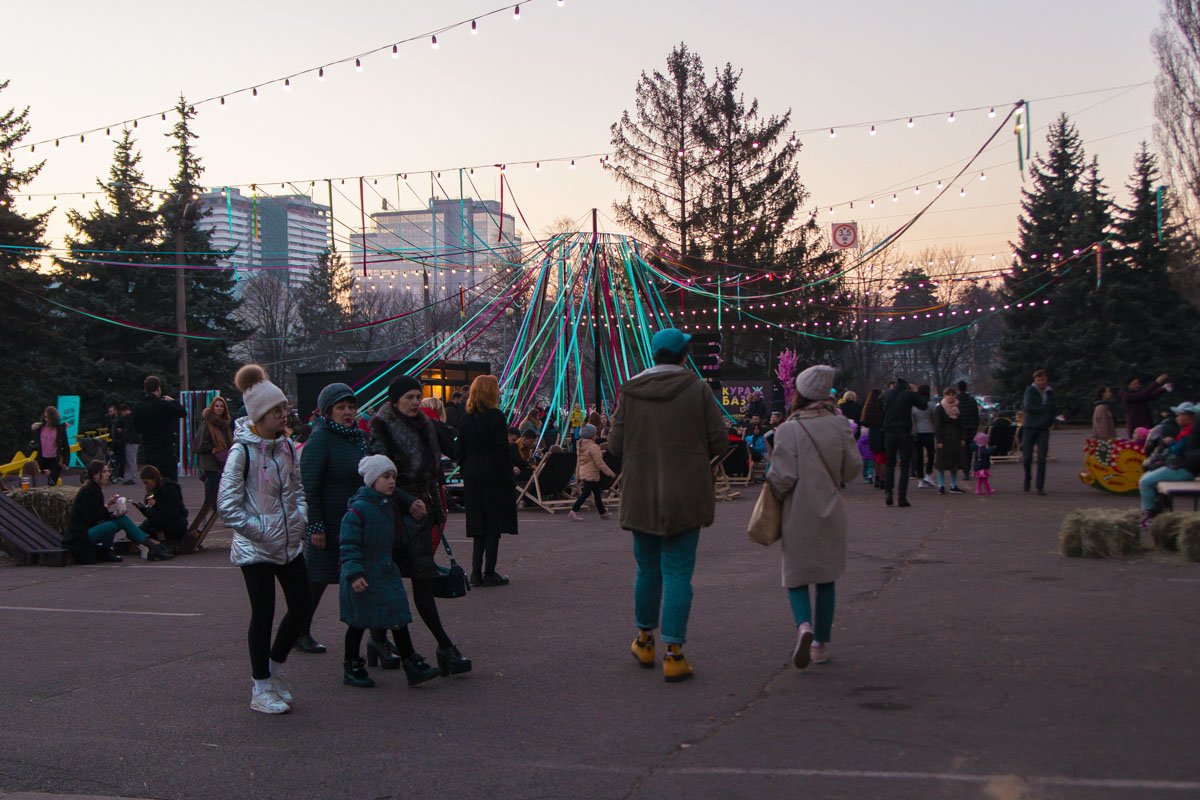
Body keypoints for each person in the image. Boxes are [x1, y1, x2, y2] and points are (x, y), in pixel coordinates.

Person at [608, 328, 727, 683]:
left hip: (641, 493)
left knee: (647, 570)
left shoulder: (630, 390)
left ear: (654, 354)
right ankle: (674, 654)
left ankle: (644, 640)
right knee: (677, 573)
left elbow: (614, 445)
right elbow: (719, 442)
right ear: (683, 355)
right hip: (685, 495)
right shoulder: (698, 389)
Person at [217, 364, 312, 715]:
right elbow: (227, 505)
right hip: (256, 549)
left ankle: (272, 670)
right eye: (276, 411)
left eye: (283, 408)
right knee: (264, 613)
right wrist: (262, 531)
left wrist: (300, 518)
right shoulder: (242, 452)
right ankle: (260, 686)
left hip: (289, 545)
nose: (283, 414)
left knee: (302, 606)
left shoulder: (286, 446)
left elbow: (298, 487)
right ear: (259, 415)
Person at [369, 375, 472, 678]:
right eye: (409, 397)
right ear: (395, 400)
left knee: (415, 577)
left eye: (418, 396)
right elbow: (375, 471)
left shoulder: (427, 425)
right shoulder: (382, 425)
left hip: (423, 510)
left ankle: (381, 640)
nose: (415, 402)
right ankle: (441, 646)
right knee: (401, 579)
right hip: (394, 512)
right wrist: (404, 499)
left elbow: (445, 460)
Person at [766, 365, 862, 669]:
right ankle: (821, 643)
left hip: (797, 510)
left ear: (800, 392)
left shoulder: (788, 429)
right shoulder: (840, 425)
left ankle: (803, 625)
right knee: (826, 577)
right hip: (831, 508)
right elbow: (851, 469)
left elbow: (781, 477)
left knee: (795, 576)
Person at [340, 455, 428, 689]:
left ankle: (411, 662)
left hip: (386, 571)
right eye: (385, 477)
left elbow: (397, 539)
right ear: (372, 480)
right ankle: (351, 664)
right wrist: (355, 574)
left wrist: (414, 520)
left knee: (398, 617)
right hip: (365, 574)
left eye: (393, 477)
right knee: (358, 622)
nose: (391, 482)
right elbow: (348, 546)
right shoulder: (357, 511)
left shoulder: (388, 507)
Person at [297, 383, 366, 656]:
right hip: (327, 522)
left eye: (351, 406)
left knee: (363, 576)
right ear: (328, 411)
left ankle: (377, 635)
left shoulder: (359, 437)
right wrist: (316, 525)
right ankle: (300, 631)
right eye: (341, 407)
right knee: (317, 580)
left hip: (355, 521)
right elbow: (310, 486)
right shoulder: (320, 439)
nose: (348, 412)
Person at [455, 374, 519, 587]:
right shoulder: (496, 417)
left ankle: (475, 572)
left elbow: (460, 451)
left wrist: (466, 469)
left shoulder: (465, 419)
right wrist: (508, 472)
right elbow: (501, 450)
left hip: (472, 475)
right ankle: (489, 572)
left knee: (477, 523)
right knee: (493, 523)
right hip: (493, 473)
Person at [64, 461, 173, 563]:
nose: (108, 474)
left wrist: (115, 514)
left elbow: (99, 516)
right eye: (104, 471)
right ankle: (107, 550)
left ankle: (153, 548)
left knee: (122, 519)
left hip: (89, 531)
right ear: (95, 475)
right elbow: (91, 519)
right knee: (110, 525)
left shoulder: (96, 490)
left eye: (108, 471)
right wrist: (107, 505)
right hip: (80, 536)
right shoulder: (87, 491)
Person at [1137, 402, 1199, 528]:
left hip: (1183, 469)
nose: (1177, 417)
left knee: (1145, 482)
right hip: (1180, 467)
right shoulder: (1187, 431)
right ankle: (1156, 511)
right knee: (1147, 477)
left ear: (1189, 416)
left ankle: (1149, 515)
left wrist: (1168, 444)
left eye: (1180, 415)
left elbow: (1177, 451)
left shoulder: (1190, 433)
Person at [880, 378, 928, 507]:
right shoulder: (909, 394)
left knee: (890, 463)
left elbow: (881, 411)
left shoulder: (887, 394)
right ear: (906, 386)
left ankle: (888, 493)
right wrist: (916, 391)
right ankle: (902, 498)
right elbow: (923, 405)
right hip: (904, 432)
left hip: (889, 432)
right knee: (905, 465)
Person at [132, 376, 186, 481]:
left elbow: (138, 429)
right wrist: (173, 401)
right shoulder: (163, 405)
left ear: (145, 389)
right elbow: (182, 412)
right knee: (169, 483)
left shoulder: (137, 407)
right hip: (166, 451)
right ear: (158, 388)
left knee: (153, 483)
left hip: (149, 451)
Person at [192, 395, 232, 512]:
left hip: (223, 460)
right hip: (210, 460)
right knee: (220, 485)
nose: (219, 408)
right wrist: (212, 448)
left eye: (221, 406)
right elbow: (200, 442)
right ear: (212, 408)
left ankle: (208, 506)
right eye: (216, 406)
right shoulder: (207, 423)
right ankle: (217, 509)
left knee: (213, 484)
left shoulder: (226, 424)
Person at [568, 424, 616, 521]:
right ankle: (573, 511)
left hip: (585, 472)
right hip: (591, 474)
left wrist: (577, 475)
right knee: (585, 494)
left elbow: (583, 460)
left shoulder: (581, 445)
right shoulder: (593, 446)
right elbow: (599, 463)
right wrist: (610, 472)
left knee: (597, 493)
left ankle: (602, 512)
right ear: (592, 435)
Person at [1021, 370, 1057, 495]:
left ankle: (1039, 486)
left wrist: (1051, 420)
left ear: (1046, 380)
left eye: (1043, 380)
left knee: (1042, 458)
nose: (1041, 383)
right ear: (1035, 380)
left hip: (1043, 429)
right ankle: (1027, 478)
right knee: (1027, 457)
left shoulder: (1050, 392)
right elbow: (1028, 407)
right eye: (1038, 380)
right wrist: (1043, 409)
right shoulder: (1029, 391)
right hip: (1029, 427)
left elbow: (1053, 408)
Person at [136, 465, 188, 545]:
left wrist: (155, 505)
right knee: (135, 532)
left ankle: (162, 543)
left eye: (147, 483)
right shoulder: (153, 491)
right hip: (163, 523)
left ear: (154, 479)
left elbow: (173, 512)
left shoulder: (169, 489)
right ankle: (158, 543)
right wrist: (144, 508)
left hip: (174, 525)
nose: (146, 486)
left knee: (152, 516)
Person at [931, 387, 966, 494]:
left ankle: (953, 485)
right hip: (944, 438)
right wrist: (939, 440)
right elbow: (937, 425)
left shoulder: (957, 407)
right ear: (945, 395)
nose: (951, 396)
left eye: (952, 394)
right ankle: (941, 486)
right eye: (948, 394)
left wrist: (962, 438)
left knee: (954, 462)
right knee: (941, 463)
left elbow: (961, 424)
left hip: (955, 437)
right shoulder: (940, 408)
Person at [1122, 373, 1170, 439]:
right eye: (1134, 384)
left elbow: (1150, 396)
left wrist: (1163, 389)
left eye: (1137, 383)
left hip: (1146, 422)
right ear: (1128, 385)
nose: (1137, 385)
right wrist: (1156, 383)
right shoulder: (1126, 395)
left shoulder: (1139, 391)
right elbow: (1144, 394)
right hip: (1135, 425)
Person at [31, 406, 70, 487]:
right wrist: (33, 444)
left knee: (51, 483)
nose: (46, 419)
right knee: (40, 484)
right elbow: (35, 444)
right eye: (45, 417)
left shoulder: (60, 429)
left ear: (54, 417)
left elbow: (66, 446)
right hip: (42, 459)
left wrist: (66, 462)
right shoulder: (40, 428)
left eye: (49, 417)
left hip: (55, 460)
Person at [860, 389, 887, 490]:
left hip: (873, 432)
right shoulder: (883, 407)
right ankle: (882, 479)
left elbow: (865, 422)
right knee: (883, 458)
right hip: (882, 432)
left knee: (876, 457)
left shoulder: (868, 408)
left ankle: (876, 476)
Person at [910, 385, 936, 488]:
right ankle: (928, 474)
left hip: (917, 433)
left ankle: (920, 480)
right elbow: (934, 419)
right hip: (929, 432)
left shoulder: (913, 406)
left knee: (919, 456)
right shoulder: (931, 405)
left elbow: (912, 421)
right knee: (931, 454)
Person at [956, 381, 981, 481]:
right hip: (971, 428)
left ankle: (963, 469)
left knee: (962, 450)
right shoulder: (972, 400)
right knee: (970, 450)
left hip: (960, 429)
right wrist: (975, 425)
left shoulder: (956, 400)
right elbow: (976, 415)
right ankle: (968, 469)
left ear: (958, 388)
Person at [120, 403, 140, 484]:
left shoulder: (128, 419)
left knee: (131, 459)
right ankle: (133, 476)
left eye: (122, 413)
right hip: (135, 440)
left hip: (131, 441)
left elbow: (127, 431)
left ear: (126, 411)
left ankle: (133, 477)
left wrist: (123, 440)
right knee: (132, 459)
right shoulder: (134, 417)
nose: (122, 415)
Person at [105, 403, 127, 479]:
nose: (109, 413)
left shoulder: (120, 418)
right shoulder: (108, 418)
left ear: (115, 411)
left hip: (120, 440)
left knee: (121, 458)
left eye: (111, 411)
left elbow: (126, 428)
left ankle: (121, 475)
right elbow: (106, 427)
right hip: (111, 440)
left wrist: (121, 432)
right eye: (109, 411)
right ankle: (114, 474)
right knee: (113, 458)